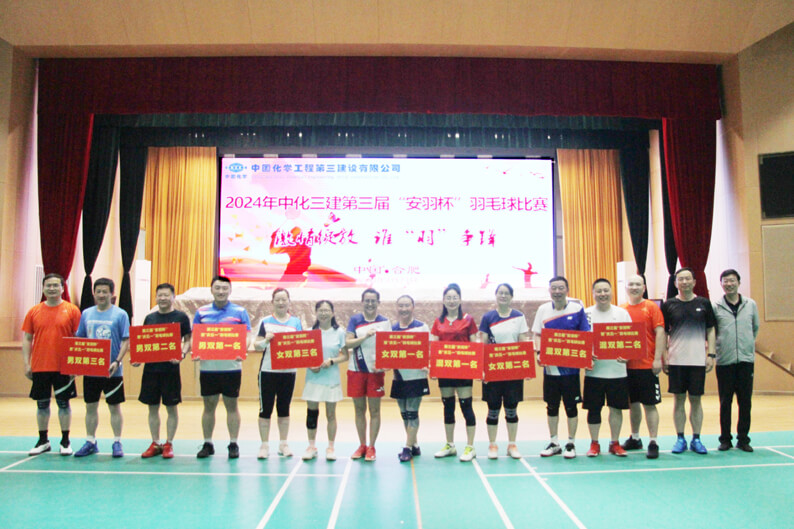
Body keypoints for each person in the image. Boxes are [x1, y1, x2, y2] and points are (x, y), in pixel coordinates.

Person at [22, 273, 82, 456]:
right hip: (40, 366)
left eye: (56, 285)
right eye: (48, 285)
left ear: (62, 288)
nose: (52, 288)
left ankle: (65, 441)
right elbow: (27, 338)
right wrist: (27, 364)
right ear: (43, 288)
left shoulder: (72, 310)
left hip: (64, 367)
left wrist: (75, 366)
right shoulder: (34, 311)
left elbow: (78, 338)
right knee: (42, 405)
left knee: (64, 404)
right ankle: (43, 440)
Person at [531, 276, 589, 459]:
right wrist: (539, 352)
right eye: (554, 288)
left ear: (567, 289)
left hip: (571, 370)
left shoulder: (577, 308)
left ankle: (571, 443)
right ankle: (554, 442)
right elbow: (537, 334)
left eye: (560, 288)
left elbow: (585, 335)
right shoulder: (543, 309)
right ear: (549, 290)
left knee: (571, 407)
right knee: (552, 406)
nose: (557, 291)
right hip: (551, 370)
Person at [193, 275, 251, 459]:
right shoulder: (201, 312)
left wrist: (243, 350)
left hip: (231, 368)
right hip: (208, 368)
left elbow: (247, 336)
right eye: (217, 288)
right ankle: (208, 443)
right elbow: (196, 337)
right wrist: (195, 351)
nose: (221, 291)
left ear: (230, 290)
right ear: (211, 290)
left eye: (224, 288)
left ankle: (233, 443)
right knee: (208, 406)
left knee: (231, 406)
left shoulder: (240, 312)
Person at [662, 267, 717, 455]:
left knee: (696, 400)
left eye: (687, 279)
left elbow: (711, 330)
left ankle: (696, 439)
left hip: (697, 361)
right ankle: (680, 438)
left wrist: (711, 355)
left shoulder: (704, 303)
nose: (684, 282)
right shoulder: (669, 305)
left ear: (694, 282)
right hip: (676, 361)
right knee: (679, 400)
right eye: (680, 279)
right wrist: (664, 356)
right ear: (675, 283)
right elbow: (664, 333)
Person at [73, 278, 130, 458]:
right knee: (90, 407)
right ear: (94, 293)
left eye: (105, 291)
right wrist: (77, 365)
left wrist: (117, 361)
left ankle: (117, 442)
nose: (101, 295)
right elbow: (80, 339)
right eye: (98, 291)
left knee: (114, 407)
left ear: (112, 294)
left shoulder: (120, 314)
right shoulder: (86, 314)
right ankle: (90, 441)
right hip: (92, 371)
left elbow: (126, 340)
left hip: (112, 371)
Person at [134, 283, 192, 459]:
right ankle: (155, 442)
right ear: (156, 297)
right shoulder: (150, 318)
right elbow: (144, 343)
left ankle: (169, 443)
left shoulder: (181, 317)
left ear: (173, 297)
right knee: (152, 408)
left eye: (166, 295)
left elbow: (188, 340)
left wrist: (182, 354)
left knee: (171, 408)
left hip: (170, 370)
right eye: (160, 295)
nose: (163, 298)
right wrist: (138, 359)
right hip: (151, 371)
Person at [479, 283, 530, 460]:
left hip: (512, 372)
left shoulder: (519, 316)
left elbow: (523, 343)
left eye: (506, 293)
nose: (503, 296)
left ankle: (512, 444)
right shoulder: (488, 317)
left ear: (511, 297)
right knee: (493, 410)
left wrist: (525, 368)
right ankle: (492, 445)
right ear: (496, 295)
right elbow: (484, 345)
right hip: (493, 372)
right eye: (500, 293)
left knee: (511, 410)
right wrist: (483, 370)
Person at [583, 279, 632, 457]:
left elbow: (631, 339)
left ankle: (615, 443)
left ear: (611, 292)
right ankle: (594, 443)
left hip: (617, 371)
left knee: (616, 409)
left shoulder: (622, 313)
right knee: (594, 409)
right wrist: (586, 354)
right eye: (599, 291)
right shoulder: (586, 314)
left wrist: (627, 355)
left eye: (606, 290)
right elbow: (579, 341)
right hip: (594, 372)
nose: (602, 294)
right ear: (593, 293)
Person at [431, 283, 479, 462]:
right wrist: (434, 368)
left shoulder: (468, 319)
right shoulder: (438, 321)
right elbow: (434, 346)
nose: (451, 301)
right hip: (445, 370)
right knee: (448, 407)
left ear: (460, 300)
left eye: (454, 297)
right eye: (448, 298)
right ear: (443, 300)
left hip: (463, 370)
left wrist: (476, 368)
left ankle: (470, 446)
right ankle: (450, 445)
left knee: (466, 406)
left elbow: (474, 345)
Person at [713, 269, 760, 452]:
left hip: (745, 361)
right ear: (721, 284)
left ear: (739, 283)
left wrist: (745, 346)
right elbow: (713, 332)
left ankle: (743, 439)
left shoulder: (750, 304)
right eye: (725, 281)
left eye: (732, 281)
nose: (729, 284)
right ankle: (725, 439)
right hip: (725, 361)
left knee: (745, 402)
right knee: (725, 402)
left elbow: (755, 328)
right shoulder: (716, 306)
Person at [620, 274, 665, 459]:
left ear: (644, 288)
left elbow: (660, 333)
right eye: (631, 284)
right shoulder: (621, 309)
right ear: (626, 287)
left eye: (638, 284)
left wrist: (657, 359)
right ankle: (635, 437)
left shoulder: (651, 307)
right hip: (627, 366)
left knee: (650, 405)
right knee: (633, 404)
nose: (634, 287)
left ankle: (653, 441)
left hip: (647, 366)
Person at [254, 288, 302, 459]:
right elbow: (256, 345)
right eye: (278, 299)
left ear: (289, 302)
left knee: (284, 409)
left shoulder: (296, 322)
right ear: (272, 302)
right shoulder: (265, 322)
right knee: (265, 409)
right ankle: (264, 445)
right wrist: (265, 341)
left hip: (288, 372)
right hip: (268, 372)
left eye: (284, 299)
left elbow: (301, 345)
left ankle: (283, 444)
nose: (281, 302)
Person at [345, 288, 391, 461]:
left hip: (375, 373)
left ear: (378, 302)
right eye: (367, 300)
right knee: (359, 410)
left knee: (374, 410)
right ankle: (362, 445)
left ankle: (371, 446)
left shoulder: (385, 322)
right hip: (356, 370)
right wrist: (364, 336)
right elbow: (348, 343)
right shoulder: (355, 320)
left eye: (373, 301)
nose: (370, 304)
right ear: (362, 302)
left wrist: (385, 365)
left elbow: (389, 347)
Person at [302, 300, 348, 461]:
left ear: (332, 313)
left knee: (331, 414)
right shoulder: (309, 332)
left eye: (327, 310)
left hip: (331, 379)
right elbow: (303, 355)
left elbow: (345, 356)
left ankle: (330, 447)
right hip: (313, 378)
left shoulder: (339, 332)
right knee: (312, 413)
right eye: (320, 310)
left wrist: (332, 361)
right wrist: (309, 365)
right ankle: (311, 446)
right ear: (316, 313)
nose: (323, 313)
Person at [391, 295, 430, 462]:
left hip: (416, 377)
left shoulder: (422, 327)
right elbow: (387, 353)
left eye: (407, 305)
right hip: (398, 377)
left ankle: (407, 447)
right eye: (401, 306)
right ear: (397, 308)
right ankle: (414, 444)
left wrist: (428, 364)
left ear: (413, 307)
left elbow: (429, 350)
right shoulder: (392, 329)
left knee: (412, 412)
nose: (404, 309)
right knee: (405, 414)